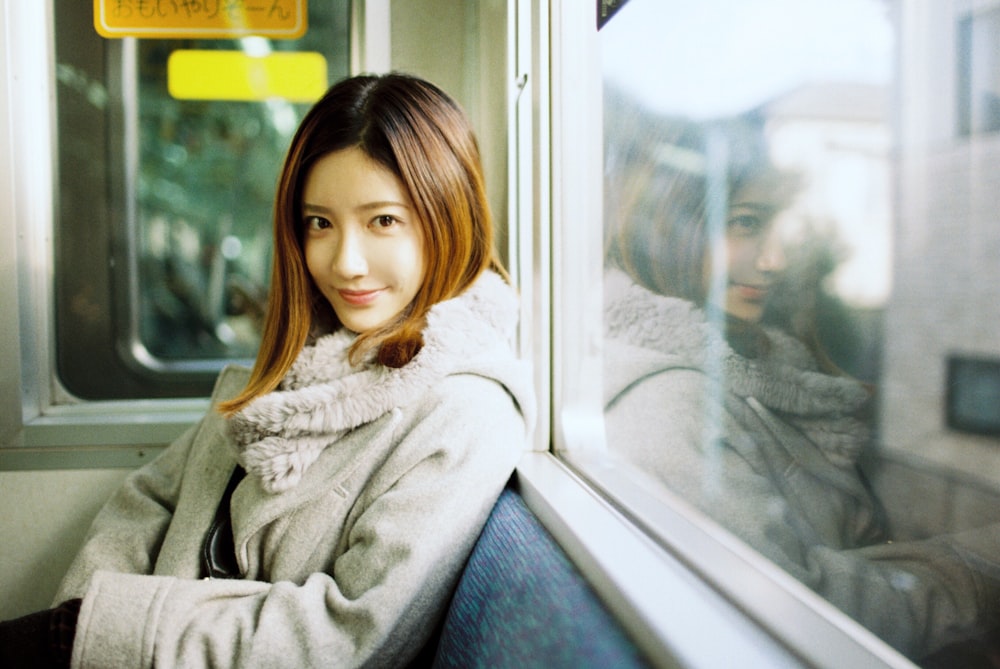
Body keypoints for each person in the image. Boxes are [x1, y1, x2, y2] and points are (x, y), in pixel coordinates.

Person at [0, 73, 534, 668]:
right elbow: (149, 500)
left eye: (384, 220)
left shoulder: (465, 410)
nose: (346, 262)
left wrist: (95, 637)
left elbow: (348, 635)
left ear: (448, 217)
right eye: (320, 223)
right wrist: (83, 624)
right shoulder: (299, 366)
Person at [601, 105, 1000, 662]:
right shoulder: (669, 402)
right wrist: (977, 574)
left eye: (776, 224)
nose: (775, 259)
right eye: (744, 223)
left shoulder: (758, 374)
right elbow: (790, 611)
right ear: (672, 227)